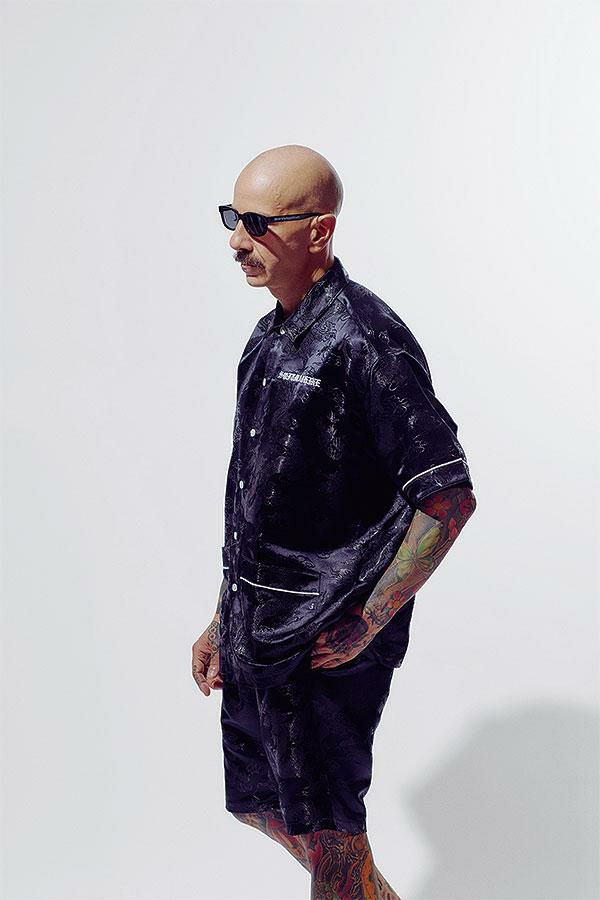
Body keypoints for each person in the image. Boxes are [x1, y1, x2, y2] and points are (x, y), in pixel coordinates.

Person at [192, 144, 477, 899]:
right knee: (262, 806)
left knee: (332, 837)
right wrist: (224, 618)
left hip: (325, 639)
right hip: (260, 626)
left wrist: (369, 621)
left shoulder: (365, 341)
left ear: (318, 230)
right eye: (232, 218)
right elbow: (256, 501)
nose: (236, 240)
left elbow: (448, 496)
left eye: (257, 223)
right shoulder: (265, 341)